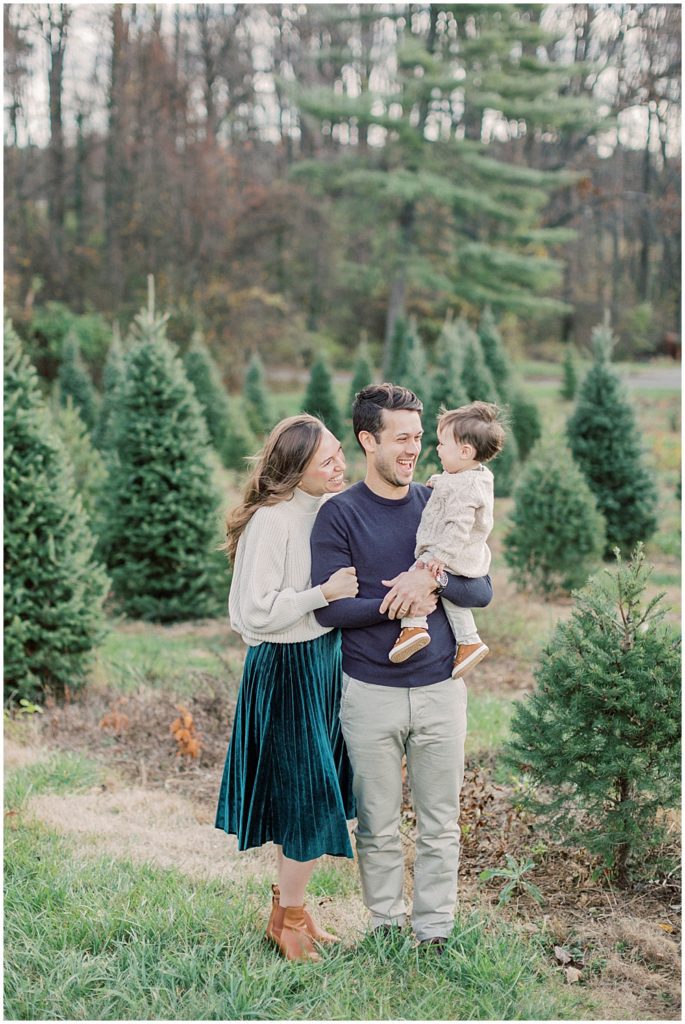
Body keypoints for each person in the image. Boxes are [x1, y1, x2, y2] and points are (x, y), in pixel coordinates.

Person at [310, 383, 492, 951]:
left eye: (419, 437)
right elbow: (333, 610)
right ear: (369, 440)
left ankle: (434, 930)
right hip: (369, 693)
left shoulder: (440, 499)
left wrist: (430, 579)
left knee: (441, 825)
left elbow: (481, 588)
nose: (415, 449)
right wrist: (401, 601)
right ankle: (387, 927)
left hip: (442, 688)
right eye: (402, 438)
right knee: (378, 825)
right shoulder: (337, 515)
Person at [215, 414, 358, 963]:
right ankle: (289, 921)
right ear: (297, 469)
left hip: (323, 661)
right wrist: (321, 594)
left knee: (315, 793)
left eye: (341, 453)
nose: (340, 465)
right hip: (284, 670)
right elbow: (254, 612)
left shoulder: (324, 510)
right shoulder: (271, 522)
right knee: (307, 799)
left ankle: (287, 912)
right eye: (327, 460)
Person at [388, 401, 505, 678]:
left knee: (416, 574)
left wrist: (439, 557)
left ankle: (414, 625)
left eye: (442, 444)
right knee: (451, 599)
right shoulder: (470, 476)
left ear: (465, 451)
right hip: (464, 554)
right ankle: (468, 640)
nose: (436, 448)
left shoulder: (464, 487)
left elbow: (459, 523)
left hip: (451, 552)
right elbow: (457, 487)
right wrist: (440, 482)